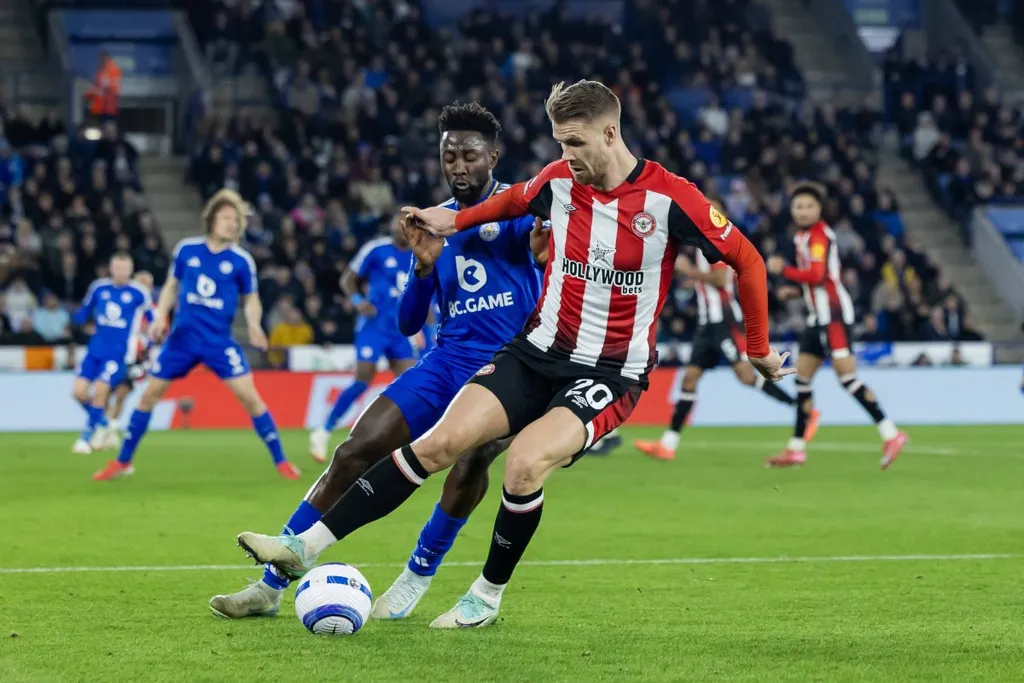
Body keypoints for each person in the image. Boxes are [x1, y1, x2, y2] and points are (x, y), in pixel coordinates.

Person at [236, 80, 790, 629]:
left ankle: (485, 595)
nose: (564, 156)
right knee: (441, 443)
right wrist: (429, 222)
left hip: (611, 371)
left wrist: (758, 348)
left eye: (574, 142)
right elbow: (477, 211)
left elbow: (747, 261)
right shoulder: (554, 182)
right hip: (534, 351)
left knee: (523, 466)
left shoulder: (672, 200)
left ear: (611, 132)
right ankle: (301, 548)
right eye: (558, 143)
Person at [210, 102, 548, 620]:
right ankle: (269, 585)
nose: (458, 166)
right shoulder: (432, 224)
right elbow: (409, 324)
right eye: (449, 156)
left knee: (472, 460)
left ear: (493, 157)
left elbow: (548, 270)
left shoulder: (520, 211)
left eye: (470, 156)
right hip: (444, 361)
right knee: (354, 450)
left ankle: (417, 574)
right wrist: (423, 265)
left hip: (506, 366)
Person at [92, 189, 299, 481]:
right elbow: (171, 287)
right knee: (149, 395)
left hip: (218, 342)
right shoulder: (187, 250)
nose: (231, 223)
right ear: (212, 220)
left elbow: (251, 299)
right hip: (182, 340)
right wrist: (161, 315)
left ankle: (281, 462)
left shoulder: (241, 261)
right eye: (225, 217)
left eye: (235, 219)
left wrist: (254, 324)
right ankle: (123, 462)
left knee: (250, 398)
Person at [635, 218, 818, 461]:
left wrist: (689, 271)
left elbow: (721, 279)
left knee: (745, 375)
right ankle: (668, 444)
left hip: (723, 322)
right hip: (705, 324)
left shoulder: (717, 245)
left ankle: (802, 410)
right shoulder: (698, 247)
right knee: (689, 379)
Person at [766, 184, 907, 469]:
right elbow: (822, 277)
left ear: (820, 209)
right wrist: (796, 291)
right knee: (802, 381)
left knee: (847, 378)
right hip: (816, 317)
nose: (803, 211)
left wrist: (785, 271)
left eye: (809, 206)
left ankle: (890, 433)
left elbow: (818, 275)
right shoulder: (802, 237)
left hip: (833, 315)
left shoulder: (819, 235)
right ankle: (796, 449)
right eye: (798, 206)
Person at [307, 219, 416, 463]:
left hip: (401, 329)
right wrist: (358, 301)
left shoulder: (419, 253)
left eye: (408, 223)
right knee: (363, 378)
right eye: (398, 222)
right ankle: (324, 429)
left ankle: (397, 439)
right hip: (373, 326)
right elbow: (347, 279)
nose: (401, 227)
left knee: (409, 384)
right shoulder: (376, 250)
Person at [69, 253, 151, 455]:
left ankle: (85, 438)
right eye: (117, 267)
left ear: (131, 270)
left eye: (125, 268)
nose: (121, 272)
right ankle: (104, 423)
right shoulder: (99, 288)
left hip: (119, 354)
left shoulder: (138, 292)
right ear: (111, 268)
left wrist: (151, 338)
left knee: (101, 390)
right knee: (78, 393)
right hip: (94, 350)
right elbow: (84, 312)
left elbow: (153, 318)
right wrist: (73, 321)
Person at [97, 270, 157, 452]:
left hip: (138, 357)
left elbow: (158, 333)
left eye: (147, 283)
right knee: (106, 392)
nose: (143, 286)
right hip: (117, 353)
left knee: (122, 393)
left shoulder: (153, 309)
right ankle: (104, 426)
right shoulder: (125, 302)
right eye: (140, 282)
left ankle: (112, 428)